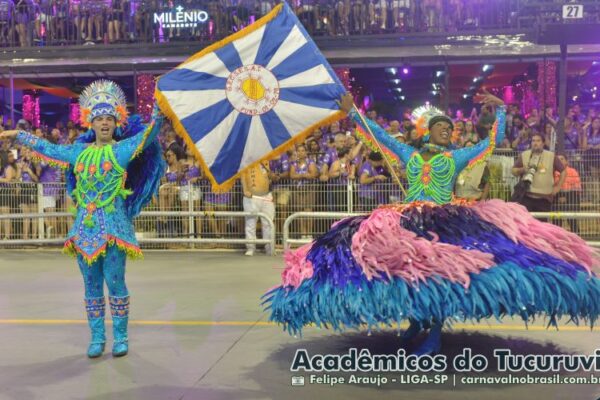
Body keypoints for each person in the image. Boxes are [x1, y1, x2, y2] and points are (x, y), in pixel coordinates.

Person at [264, 91, 600, 356]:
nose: (446, 129)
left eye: (450, 127)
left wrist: (500, 112)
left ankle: (435, 335)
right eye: (441, 125)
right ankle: (416, 321)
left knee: (438, 275)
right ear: (428, 130)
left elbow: (490, 143)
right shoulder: (408, 153)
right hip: (406, 218)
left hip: (444, 220)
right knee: (409, 273)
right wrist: (353, 111)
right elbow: (377, 135)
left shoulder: (456, 156)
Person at [0, 80, 165, 358]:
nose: (103, 123)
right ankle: (98, 337)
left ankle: (121, 337)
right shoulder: (78, 152)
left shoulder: (122, 150)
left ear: (116, 122)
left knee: (115, 282)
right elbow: (48, 149)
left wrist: (160, 110)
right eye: (98, 118)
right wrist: (20, 135)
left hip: (115, 229)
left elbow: (148, 135)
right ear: (90, 122)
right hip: (85, 232)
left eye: (108, 119)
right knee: (90, 286)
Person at [511, 132, 566, 212]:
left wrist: (558, 187)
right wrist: (522, 170)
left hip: (544, 198)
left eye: (538, 141)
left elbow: (563, 171)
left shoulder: (551, 156)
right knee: (526, 223)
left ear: (543, 143)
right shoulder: (524, 155)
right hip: (526, 196)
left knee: (541, 223)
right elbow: (513, 170)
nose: (535, 143)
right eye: (533, 141)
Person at [241, 161, 274, 256]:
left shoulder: (266, 160)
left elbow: (271, 177)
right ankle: (251, 248)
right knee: (250, 223)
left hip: (267, 195)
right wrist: (245, 189)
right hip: (251, 197)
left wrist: (272, 175)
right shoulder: (247, 160)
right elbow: (242, 173)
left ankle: (269, 247)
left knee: (268, 223)